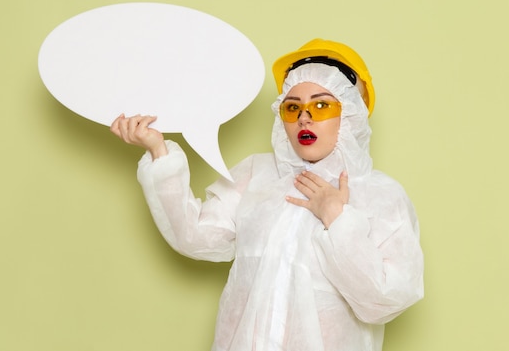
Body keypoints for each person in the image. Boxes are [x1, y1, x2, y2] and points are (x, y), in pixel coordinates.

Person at [111, 38, 424, 351]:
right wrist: (158, 150)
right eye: (293, 107)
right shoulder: (256, 175)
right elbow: (194, 236)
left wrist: (337, 219)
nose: (305, 117)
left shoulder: (381, 197)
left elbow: (384, 300)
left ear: (352, 114)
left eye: (321, 105)